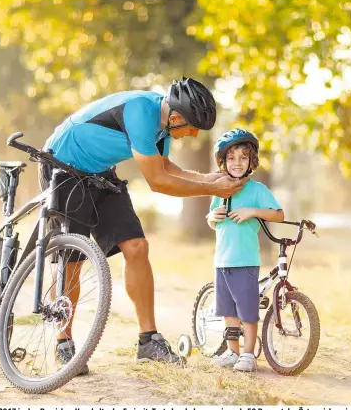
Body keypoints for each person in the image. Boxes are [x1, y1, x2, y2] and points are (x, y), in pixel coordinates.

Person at [38, 77, 248, 373]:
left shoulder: (163, 126)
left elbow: (165, 167)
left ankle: (148, 341)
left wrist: (209, 178)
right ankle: (63, 342)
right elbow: (158, 182)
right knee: (73, 258)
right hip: (63, 166)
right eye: (190, 128)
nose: (190, 135)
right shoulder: (141, 111)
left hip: (98, 172)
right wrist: (213, 190)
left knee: (136, 246)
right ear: (176, 117)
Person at [206, 129, 284, 372]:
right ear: (223, 162)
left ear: (252, 161)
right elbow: (211, 221)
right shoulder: (220, 189)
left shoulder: (257, 190)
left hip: (245, 260)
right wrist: (212, 216)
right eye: (231, 158)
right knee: (228, 311)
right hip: (222, 261)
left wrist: (252, 211)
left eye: (243, 157)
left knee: (247, 311)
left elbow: (279, 215)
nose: (237, 162)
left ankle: (248, 354)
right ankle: (232, 351)